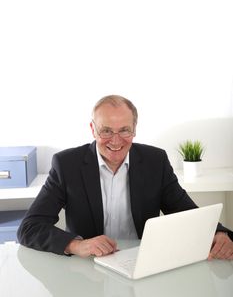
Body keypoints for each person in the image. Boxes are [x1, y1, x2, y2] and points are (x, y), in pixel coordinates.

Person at [17, 95, 233, 259]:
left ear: (135, 130)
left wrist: (219, 233)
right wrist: (76, 245)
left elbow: (186, 211)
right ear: (93, 129)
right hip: (88, 266)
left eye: (124, 130)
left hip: (142, 261)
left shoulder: (155, 161)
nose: (116, 140)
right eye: (106, 131)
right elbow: (29, 228)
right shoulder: (66, 165)